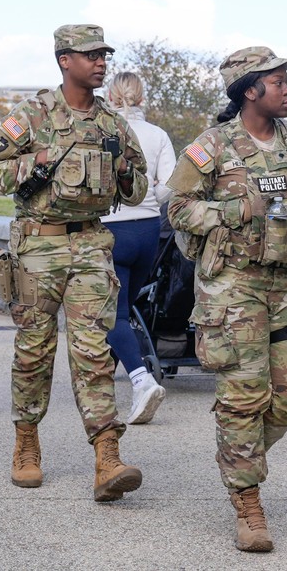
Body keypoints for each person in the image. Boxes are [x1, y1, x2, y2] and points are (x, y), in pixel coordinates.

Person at [166, 46, 287, 551]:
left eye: (286, 80)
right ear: (250, 91)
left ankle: (235, 453)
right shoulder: (212, 147)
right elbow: (177, 210)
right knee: (244, 397)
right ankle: (248, 501)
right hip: (234, 288)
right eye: (278, 81)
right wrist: (241, 210)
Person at [0, 24, 148, 501]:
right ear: (63, 60)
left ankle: (106, 454)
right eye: (90, 54)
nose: (100, 62)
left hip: (92, 245)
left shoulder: (113, 124)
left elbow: (138, 190)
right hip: (38, 246)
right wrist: (42, 158)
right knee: (34, 350)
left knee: (94, 350)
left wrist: (121, 170)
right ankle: (27, 441)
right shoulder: (31, 116)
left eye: (104, 55)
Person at [101, 71, 173, 425]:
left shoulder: (102, 130)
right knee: (123, 310)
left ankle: (141, 380)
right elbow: (171, 185)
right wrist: (151, 194)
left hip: (110, 228)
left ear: (109, 95)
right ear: (142, 97)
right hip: (147, 231)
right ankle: (103, 374)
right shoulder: (158, 135)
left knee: (111, 314)